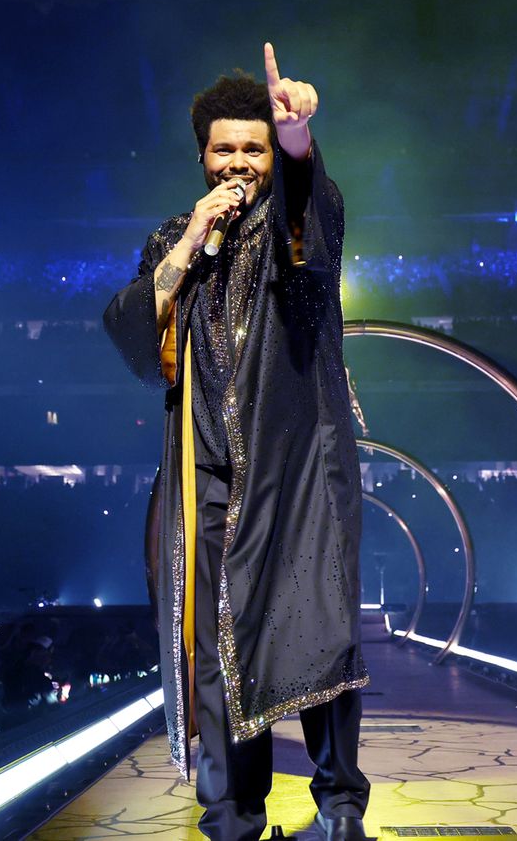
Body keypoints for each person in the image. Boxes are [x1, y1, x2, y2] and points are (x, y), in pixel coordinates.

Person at [104, 43, 369, 841]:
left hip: (298, 467)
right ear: (202, 155)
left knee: (317, 629)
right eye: (228, 148)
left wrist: (296, 146)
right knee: (214, 643)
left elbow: (306, 217)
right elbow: (129, 337)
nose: (240, 162)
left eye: (254, 147)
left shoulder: (299, 215)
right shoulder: (175, 239)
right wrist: (189, 245)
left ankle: (341, 809)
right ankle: (231, 812)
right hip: (207, 472)